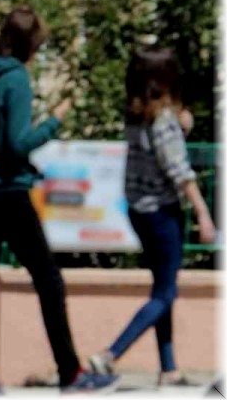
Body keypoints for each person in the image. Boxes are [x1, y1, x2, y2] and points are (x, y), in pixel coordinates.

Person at [0, 6, 116, 393]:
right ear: (29, 44)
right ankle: (71, 372)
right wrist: (55, 120)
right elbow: (16, 144)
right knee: (48, 281)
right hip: (8, 192)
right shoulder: (15, 80)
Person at [87, 47, 216, 388]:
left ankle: (169, 368)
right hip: (161, 213)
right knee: (166, 294)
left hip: (138, 211)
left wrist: (180, 128)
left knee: (162, 287)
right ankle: (110, 354)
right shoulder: (163, 123)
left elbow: (158, 152)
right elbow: (179, 171)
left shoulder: (135, 117)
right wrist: (204, 213)